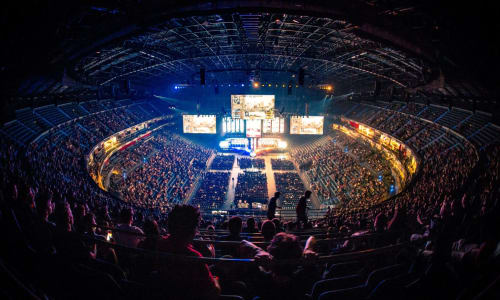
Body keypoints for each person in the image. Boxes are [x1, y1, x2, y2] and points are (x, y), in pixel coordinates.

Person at [156, 205, 220, 299]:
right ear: (193, 229)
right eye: (196, 226)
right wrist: (216, 280)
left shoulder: (159, 245)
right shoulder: (194, 257)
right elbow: (214, 291)